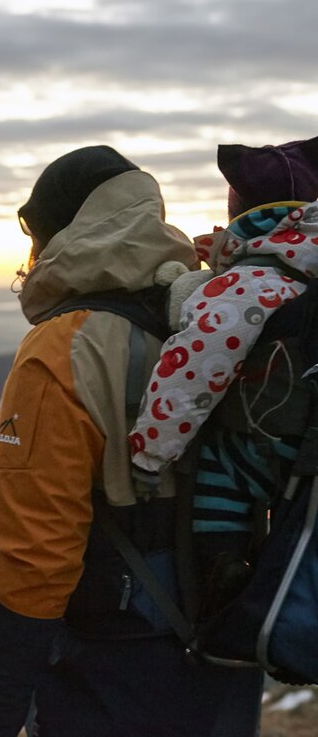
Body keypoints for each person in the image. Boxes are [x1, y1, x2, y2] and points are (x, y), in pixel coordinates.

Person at [0, 146, 264, 737]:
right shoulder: (217, 314)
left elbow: (35, 556)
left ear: (61, 232)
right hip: (229, 649)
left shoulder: (64, 347)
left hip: (112, 664)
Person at [130, 137, 318, 552]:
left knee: (217, 472)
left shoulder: (247, 284)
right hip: (308, 446)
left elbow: (194, 364)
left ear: (239, 213)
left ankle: (222, 566)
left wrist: (151, 453)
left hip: (268, 445)